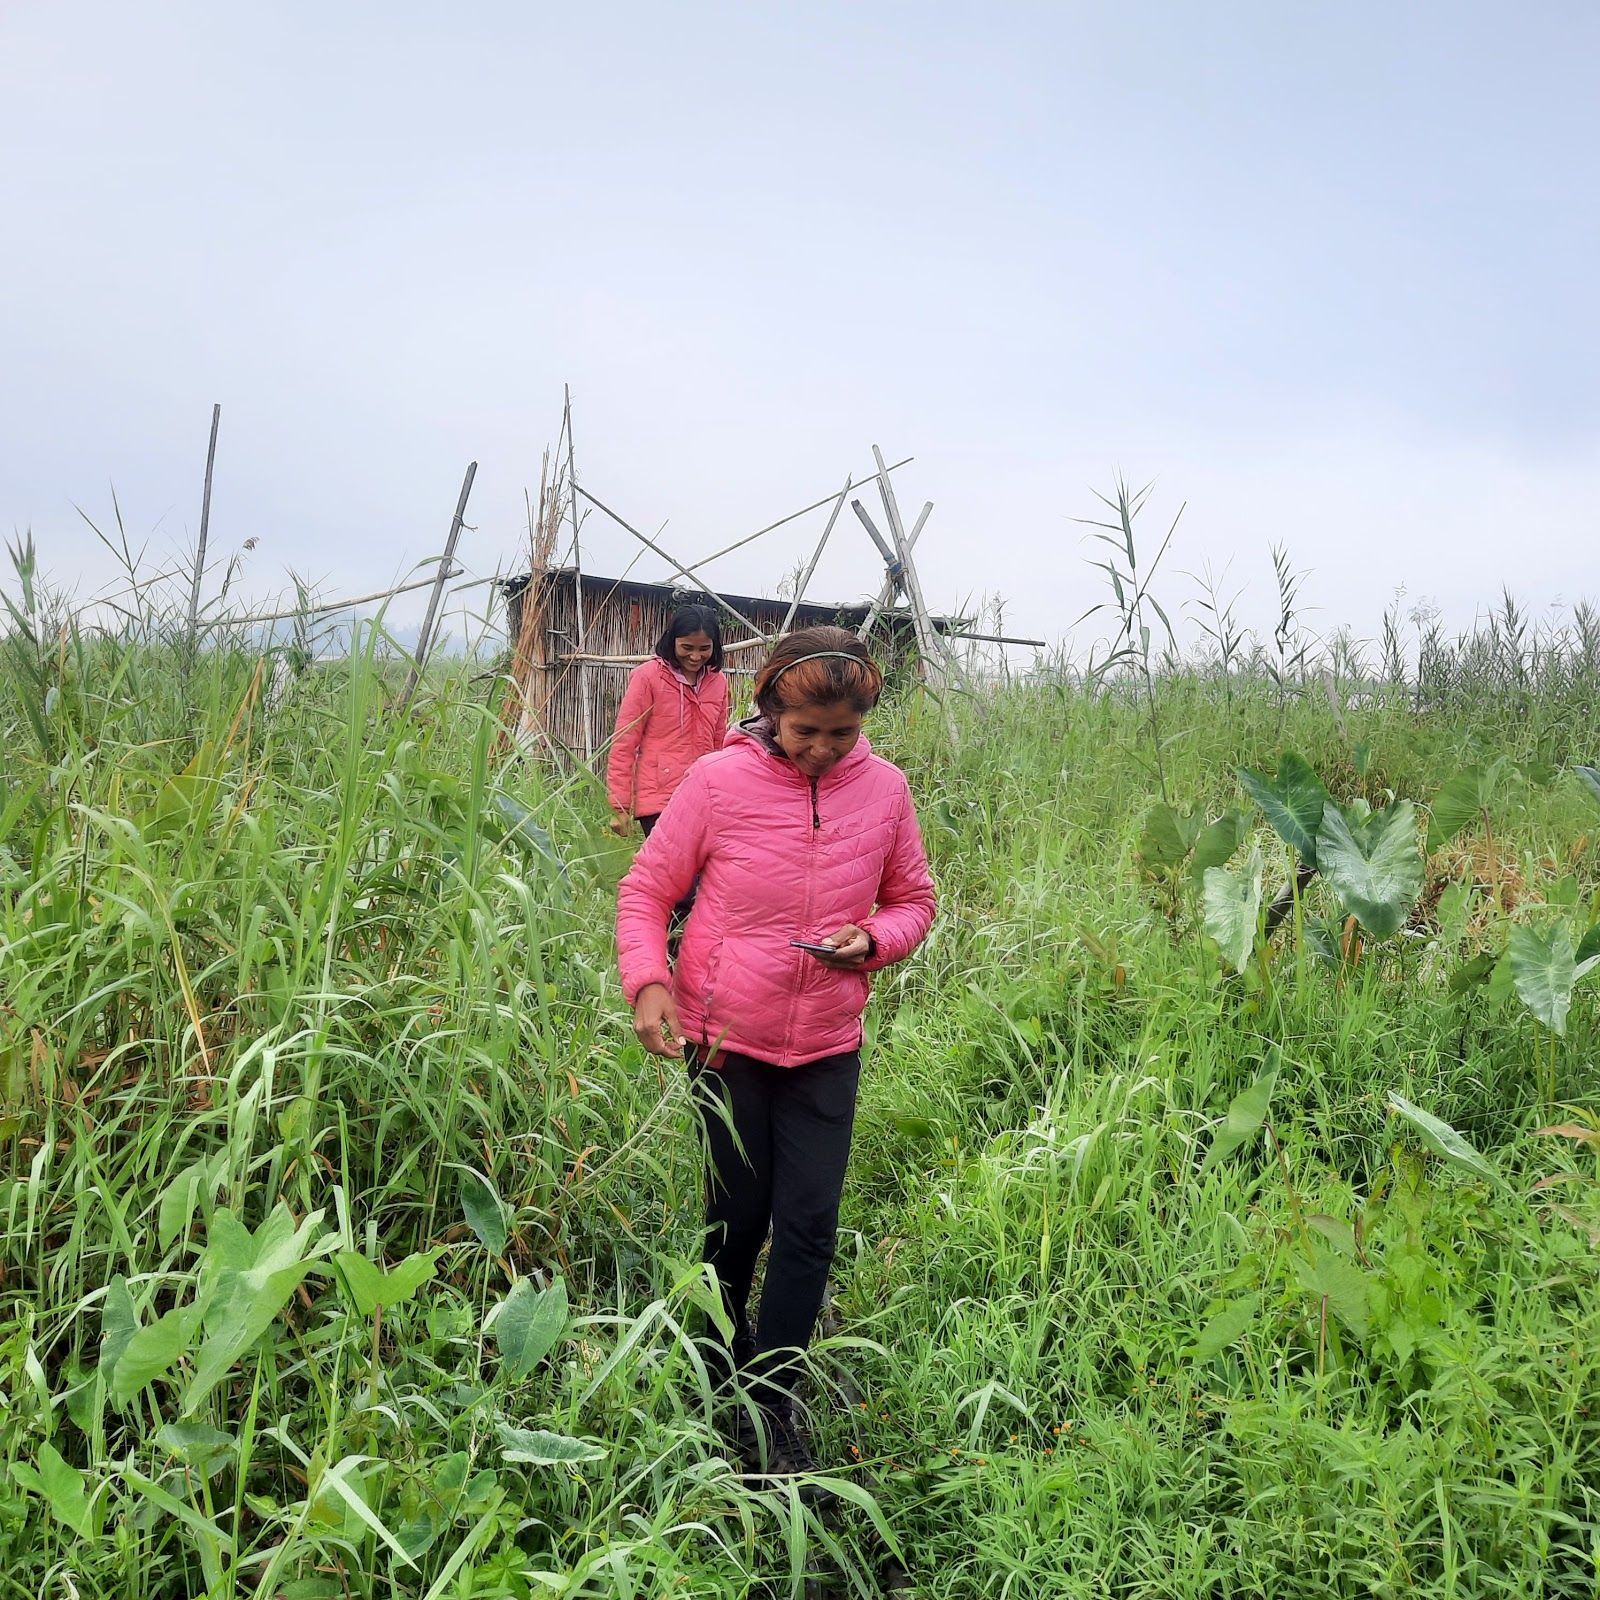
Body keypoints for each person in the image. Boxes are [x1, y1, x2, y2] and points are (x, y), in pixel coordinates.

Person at [615, 625, 936, 1478]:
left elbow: (914, 900)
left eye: (844, 733)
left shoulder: (888, 789)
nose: (826, 750)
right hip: (726, 1042)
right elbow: (648, 889)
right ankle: (716, 1370)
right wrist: (649, 981)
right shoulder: (716, 782)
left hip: (827, 1042)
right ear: (768, 710)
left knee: (807, 1226)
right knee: (737, 1219)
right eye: (807, 733)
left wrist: (871, 940)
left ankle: (770, 1399)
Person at [606, 604, 730, 839]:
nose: (695, 656)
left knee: (704, 873)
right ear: (672, 641)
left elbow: (718, 743)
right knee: (677, 872)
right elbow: (625, 742)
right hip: (658, 799)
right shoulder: (648, 677)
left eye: (704, 648)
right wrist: (620, 806)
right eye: (687, 647)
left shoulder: (718, 682)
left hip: (703, 796)